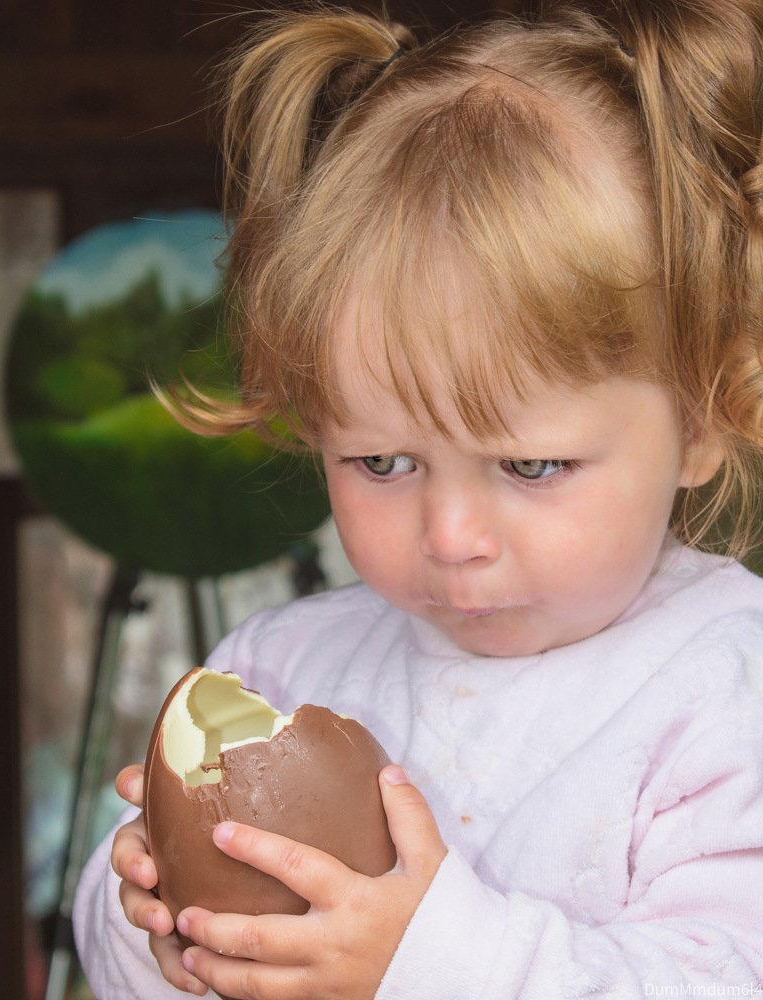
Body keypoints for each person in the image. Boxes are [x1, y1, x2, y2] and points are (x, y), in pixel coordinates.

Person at [73, 1, 763, 997]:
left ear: (701, 416)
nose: (450, 537)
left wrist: (425, 962)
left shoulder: (727, 693)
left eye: (531, 467)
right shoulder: (281, 668)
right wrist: (158, 920)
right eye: (383, 462)